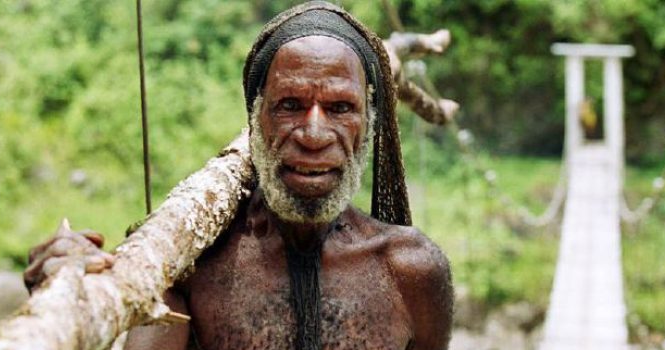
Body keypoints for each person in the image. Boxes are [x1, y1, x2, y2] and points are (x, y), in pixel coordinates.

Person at [23, 2, 453, 349]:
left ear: (368, 125)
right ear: (256, 120)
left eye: (341, 108)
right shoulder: (193, 270)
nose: (315, 133)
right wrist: (71, 306)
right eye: (290, 105)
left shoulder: (411, 270)